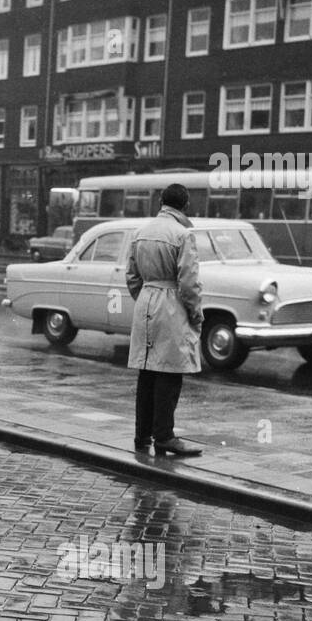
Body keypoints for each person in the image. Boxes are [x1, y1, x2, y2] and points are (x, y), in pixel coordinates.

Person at [125, 183, 204, 457]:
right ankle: (165, 437)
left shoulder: (139, 232)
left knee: (146, 372)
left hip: (146, 300)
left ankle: (141, 435)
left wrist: (146, 296)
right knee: (170, 373)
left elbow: (132, 276)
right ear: (185, 205)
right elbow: (188, 282)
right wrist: (195, 313)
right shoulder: (182, 234)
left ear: (162, 202)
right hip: (171, 304)